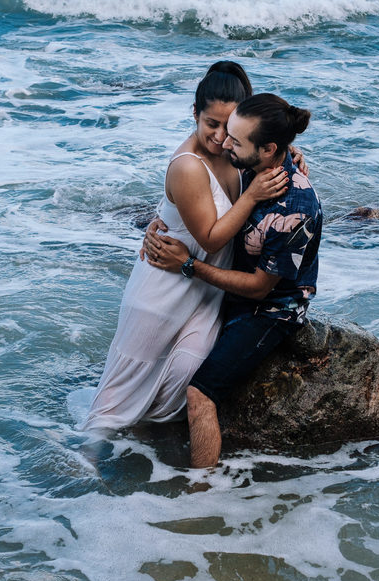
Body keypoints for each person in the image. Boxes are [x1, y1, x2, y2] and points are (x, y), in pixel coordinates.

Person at [82, 62, 292, 430]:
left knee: (182, 377)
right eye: (211, 123)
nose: (220, 136)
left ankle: (146, 456)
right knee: (117, 399)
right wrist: (252, 196)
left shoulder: (234, 151)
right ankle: (82, 459)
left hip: (206, 293)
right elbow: (211, 237)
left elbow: (267, 145)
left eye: (229, 127)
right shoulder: (188, 166)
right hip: (163, 288)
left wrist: (291, 153)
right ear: (194, 113)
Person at [146, 93, 323, 468]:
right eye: (227, 132)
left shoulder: (296, 206)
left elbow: (260, 288)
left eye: (235, 140)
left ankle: (202, 491)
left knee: (199, 394)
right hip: (226, 291)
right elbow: (199, 185)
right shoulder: (249, 164)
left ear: (267, 149)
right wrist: (162, 222)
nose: (225, 143)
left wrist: (188, 265)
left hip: (270, 310)